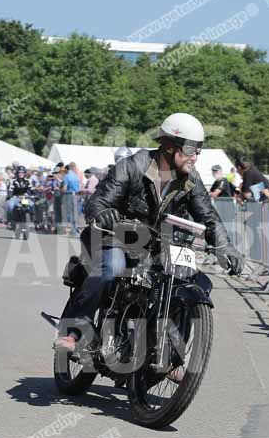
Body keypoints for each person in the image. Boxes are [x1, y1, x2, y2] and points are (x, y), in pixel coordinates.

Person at [55, 112, 244, 356]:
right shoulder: (133, 166)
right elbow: (98, 200)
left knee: (196, 281)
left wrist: (225, 246)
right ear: (167, 146)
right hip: (114, 237)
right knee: (112, 267)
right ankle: (75, 332)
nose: (195, 156)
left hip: (156, 245)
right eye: (190, 148)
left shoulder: (191, 181)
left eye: (200, 149)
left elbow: (209, 217)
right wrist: (103, 213)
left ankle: (172, 353)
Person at [63, 162, 81, 236]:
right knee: (75, 212)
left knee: (69, 212)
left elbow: (64, 188)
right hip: (76, 195)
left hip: (69, 194)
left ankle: (71, 229)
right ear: (74, 167)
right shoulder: (76, 176)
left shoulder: (67, 176)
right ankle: (76, 228)